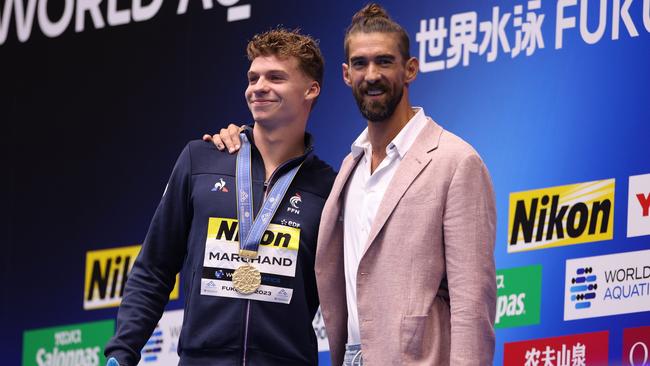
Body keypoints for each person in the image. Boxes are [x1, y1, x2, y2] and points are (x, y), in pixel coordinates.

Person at [210, 4, 497, 365]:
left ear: (410, 69)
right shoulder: (349, 169)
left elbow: (473, 303)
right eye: (360, 64)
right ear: (346, 75)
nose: (371, 75)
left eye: (385, 62)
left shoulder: (455, 161)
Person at [105, 28, 336, 366]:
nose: (258, 87)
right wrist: (122, 353)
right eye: (253, 77)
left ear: (310, 90)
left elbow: (345, 295)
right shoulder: (201, 160)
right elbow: (154, 268)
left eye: (275, 77)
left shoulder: (329, 188)